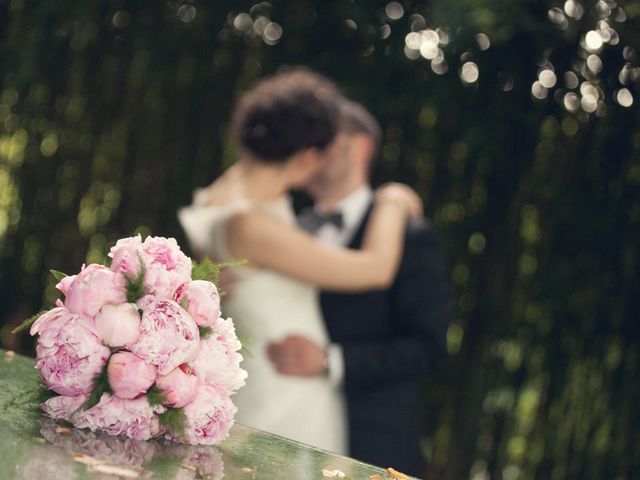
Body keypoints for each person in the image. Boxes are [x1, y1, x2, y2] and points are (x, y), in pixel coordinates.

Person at [178, 68, 422, 454]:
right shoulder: (250, 223)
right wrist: (393, 200)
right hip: (284, 396)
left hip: (263, 381)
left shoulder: (220, 197)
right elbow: (376, 268)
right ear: (308, 157)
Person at [267, 100, 452, 476]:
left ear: (360, 145)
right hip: (278, 427)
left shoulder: (410, 237)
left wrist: (330, 361)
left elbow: (427, 348)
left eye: (323, 139)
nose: (309, 149)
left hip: (370, 442)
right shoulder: (284, 232)